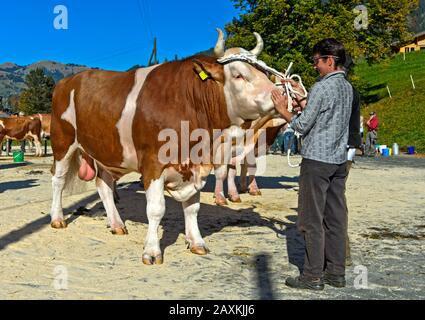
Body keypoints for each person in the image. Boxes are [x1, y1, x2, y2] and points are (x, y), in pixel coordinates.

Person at [271, 38, 353, 290]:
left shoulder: (321, 88)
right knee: (336, 218)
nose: (315, 66)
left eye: (317, 61)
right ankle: (336, 273)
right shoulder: (347, 88)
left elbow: (302, 125)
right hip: (338, 161)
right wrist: (301, 96)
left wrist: (283, 110)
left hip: (317, 160)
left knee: (310, 219)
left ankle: (312, 276)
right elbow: (322, 114)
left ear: (330, 60)